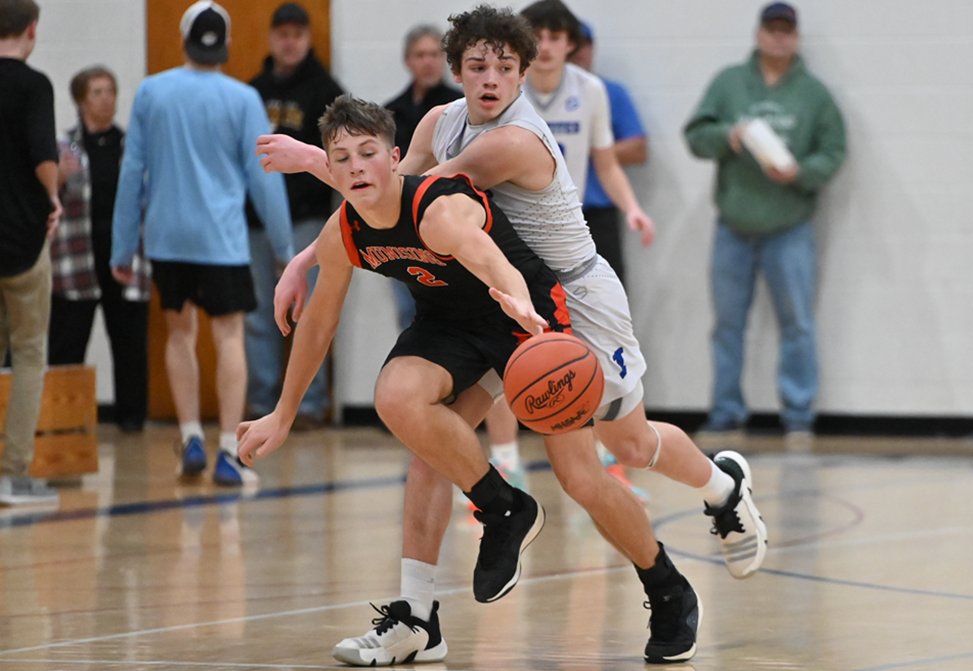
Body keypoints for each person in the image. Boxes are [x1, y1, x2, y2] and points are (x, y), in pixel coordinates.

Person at [257, 6, 767, 665]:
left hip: (571, 295)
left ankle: (717, 492)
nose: (490, 77)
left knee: (616, 452)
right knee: (429, 440)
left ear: (525, 74)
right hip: (491, 299)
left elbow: (415, 186)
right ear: (457, 70)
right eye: (477, 65)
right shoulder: (440, 121)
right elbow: (385, 195)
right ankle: (417, 614)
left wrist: (307, 159)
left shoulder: (513, 141)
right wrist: (309, 258)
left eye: (504, 66)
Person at [238, 94, 568, 666]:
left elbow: (493, 262)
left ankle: (680, 554)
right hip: (449, 325)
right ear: (331, 169)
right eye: (341, 159)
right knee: (403, 410)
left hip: (522, 317)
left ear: (395, 158)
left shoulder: (435, 209)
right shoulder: (344, 230)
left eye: (369, 154)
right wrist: (283, 412)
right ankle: (437, 595)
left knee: (602, 461)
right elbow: (318, 323)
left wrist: (518, 304)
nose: (356, 167)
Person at [111, 0, 294, 487]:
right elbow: (265, 178)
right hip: (222, 241)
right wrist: (284, 248)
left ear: (183, 39)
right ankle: (229, 452)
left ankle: (190, 435)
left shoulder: (152, 91)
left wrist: (121, 247)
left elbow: (133, 173)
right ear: (227, 44)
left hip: (167, 240)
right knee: (229, 336)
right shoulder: (243, 99)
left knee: (179, 334)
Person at [683, 2, 846, 442]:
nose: (778, 37)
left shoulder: (815, 94)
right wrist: (727, 137)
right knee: (727, 324)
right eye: (771, 29)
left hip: (790, 227)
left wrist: (800, 173)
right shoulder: (729, 83)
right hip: (732, 227)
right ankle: (725, 411)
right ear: (758, 34)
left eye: (786, 31)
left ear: (795, 38)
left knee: (797, 324)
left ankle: (798, 416)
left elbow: (834, 152)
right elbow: (696, 136)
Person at [518, 0, 656, 500]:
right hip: (514, 237)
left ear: (571, 42)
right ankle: (506, 465)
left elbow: (607, 163)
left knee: (588, 349)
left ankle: (603, 460)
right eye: (540, 35)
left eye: (558, 36)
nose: (549, 45)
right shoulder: (509, 91)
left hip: (571, 233)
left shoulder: (590, 91)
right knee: (506, 347)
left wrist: (633, 207)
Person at [244, 2, 345, 430]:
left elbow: (342, 155)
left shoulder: (326, 89)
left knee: (311, 312)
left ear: (307, 39)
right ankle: (262, 402)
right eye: (282, 34)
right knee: (257, 316)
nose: (289, 42)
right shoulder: (253, 91)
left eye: (297, 35)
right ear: (270, 40)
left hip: (307, 220)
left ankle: (307, 405)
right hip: (254, 223)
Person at [48, 65, 151, 434]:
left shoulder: (132, 146)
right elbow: (42, 202)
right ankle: (63, 422)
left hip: (124, 260)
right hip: (77, 262)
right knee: (66, 345)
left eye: (110, 90)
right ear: (80, 99)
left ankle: (132, 419)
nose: (106, 99)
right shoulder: (61, 148)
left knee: (129, 345)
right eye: (97, 92)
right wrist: (55, 179)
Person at [0, 0, 61, 506]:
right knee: (28, 354)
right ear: (32, 30)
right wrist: (55, 196)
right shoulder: (32, 85)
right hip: (22, 241)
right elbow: (45, 156)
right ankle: (12, 472)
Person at [384, 24, 462, 332]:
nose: (428, 61)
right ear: (408, 60)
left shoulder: (459, 108)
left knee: (451, 312)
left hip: (447, 220)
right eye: (421, 54)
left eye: (435, 54)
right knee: (408, 313)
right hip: (401, 224)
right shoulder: (390, 112)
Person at [568, 19, 648, 288]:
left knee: (607, 291)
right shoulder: (535, 95)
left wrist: (587, 147)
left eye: (585, 44)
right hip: (554, 214)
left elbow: (638, 148)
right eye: (573, 45)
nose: (579, 52)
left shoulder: (607, 92)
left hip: (598, 212)